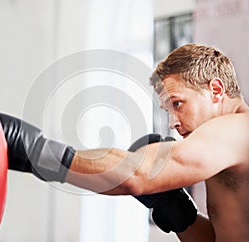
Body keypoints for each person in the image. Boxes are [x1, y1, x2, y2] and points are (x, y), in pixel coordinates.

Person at [63, 43, 249, 241]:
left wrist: (37, 152)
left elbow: (136, 173)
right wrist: (180, 216)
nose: (172, 123)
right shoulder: (224, 147)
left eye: (177, 104)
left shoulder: (239, 129)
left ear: (216, 90)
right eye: (168, 110)